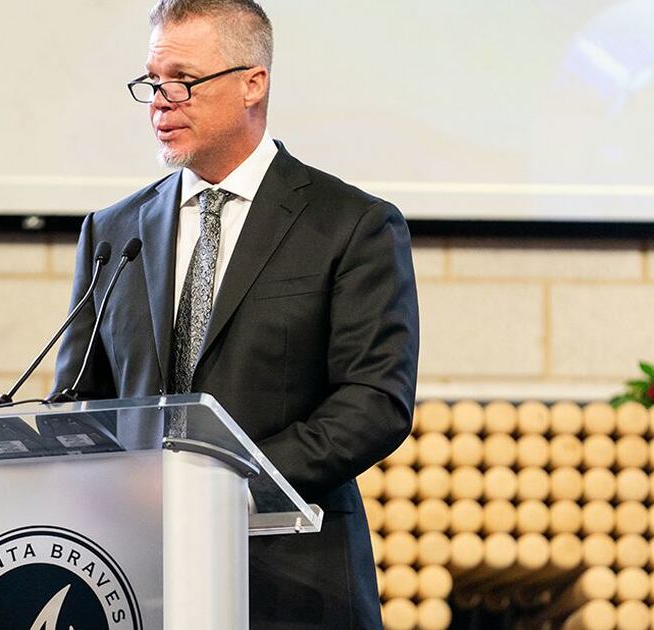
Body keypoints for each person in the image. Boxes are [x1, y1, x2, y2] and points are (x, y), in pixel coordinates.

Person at [52, 0, 419, 626]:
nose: (160, 101)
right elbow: (82, 398)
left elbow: (373, 402)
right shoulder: (113, 231)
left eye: (183, 81)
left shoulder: (350, 224)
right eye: (153, 81)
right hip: (139, 580)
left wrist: (219, 483)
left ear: (254, 82)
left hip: (293, 581)